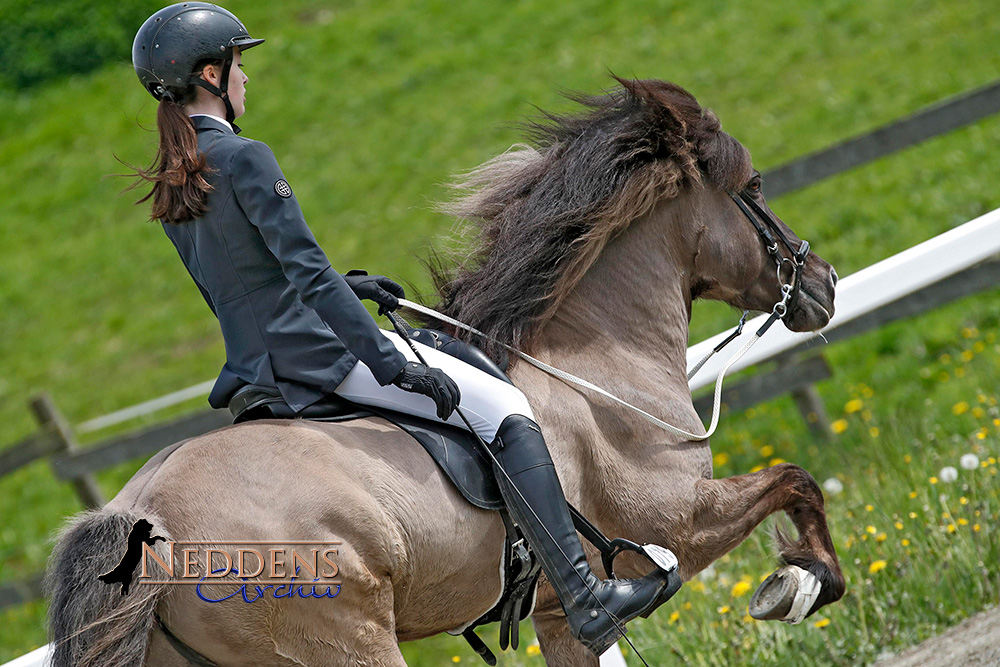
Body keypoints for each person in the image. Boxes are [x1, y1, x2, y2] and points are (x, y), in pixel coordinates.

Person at [131, 2, 674, 655]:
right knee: (503, 405)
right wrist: (391, 364)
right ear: (213, 74)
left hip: (255, 374)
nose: (247, 77)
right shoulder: (246, 157)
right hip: (315, 361)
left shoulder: (175, 187)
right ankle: (584, 594)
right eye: (241, 64)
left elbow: (238, 291)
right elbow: (304, 273)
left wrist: (351, 285)